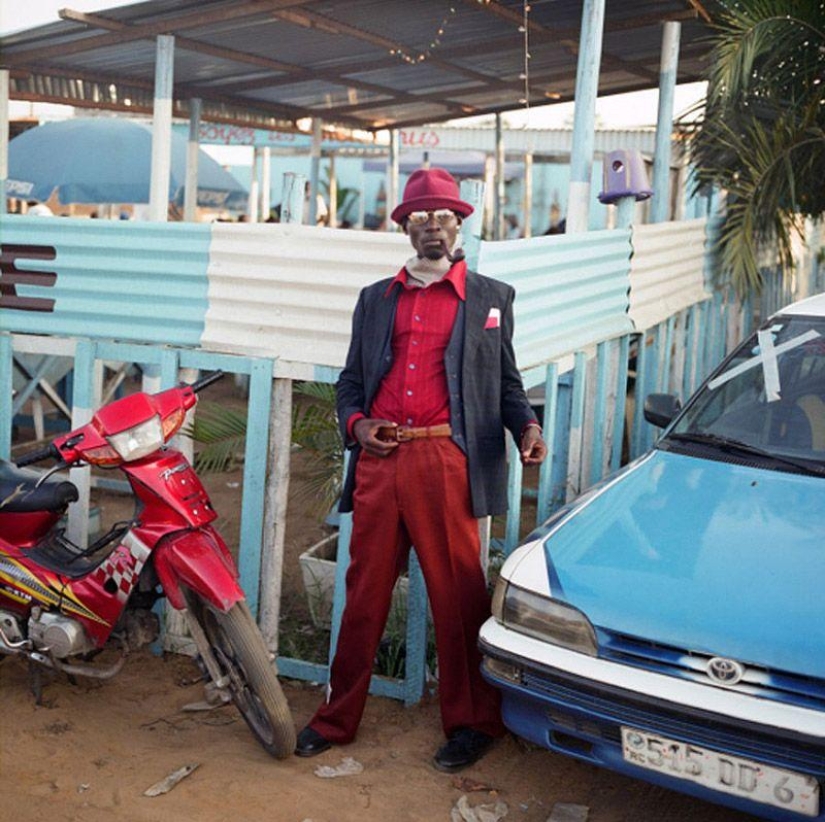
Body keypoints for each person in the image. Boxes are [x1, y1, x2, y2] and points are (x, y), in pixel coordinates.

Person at [295, 168, 547, 772]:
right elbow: (351, 383)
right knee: (363, 595)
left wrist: (527, 427)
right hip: (382, 462)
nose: (432, 229)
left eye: (443, 219)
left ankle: (472, 723)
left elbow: (507, 384)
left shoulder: (491, 298)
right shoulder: (375, 299)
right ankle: (337, 719)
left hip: (445, 461)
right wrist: (358, 427)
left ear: (459, 226)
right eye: (420, 219)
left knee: (458, 596)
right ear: (405, 230)